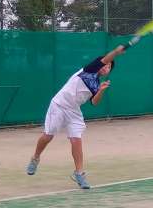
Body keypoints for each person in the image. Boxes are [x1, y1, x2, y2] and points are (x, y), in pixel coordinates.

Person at [26, 44, 126, 189]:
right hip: (59, 104)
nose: (106, 67)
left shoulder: (97, 84)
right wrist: (116, 52)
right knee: (48, 136)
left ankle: (79, 173)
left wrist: (101, 90)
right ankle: (35, 158)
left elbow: (94, 102)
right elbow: (105, 59)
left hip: (73, 111)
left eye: (109, 67)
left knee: (76, 140)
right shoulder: (89, 70)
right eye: (106, 64)